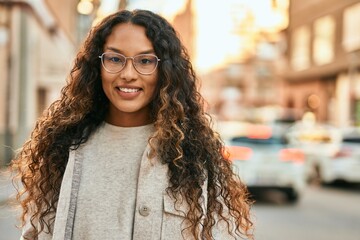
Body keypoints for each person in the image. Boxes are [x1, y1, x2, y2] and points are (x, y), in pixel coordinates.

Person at [11, 9, 254, 240]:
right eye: (115, 58)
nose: (128, 73)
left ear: (165, 71)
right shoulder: (62, 149)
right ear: (98, 66)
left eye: (145, 61)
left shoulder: (194, 156)